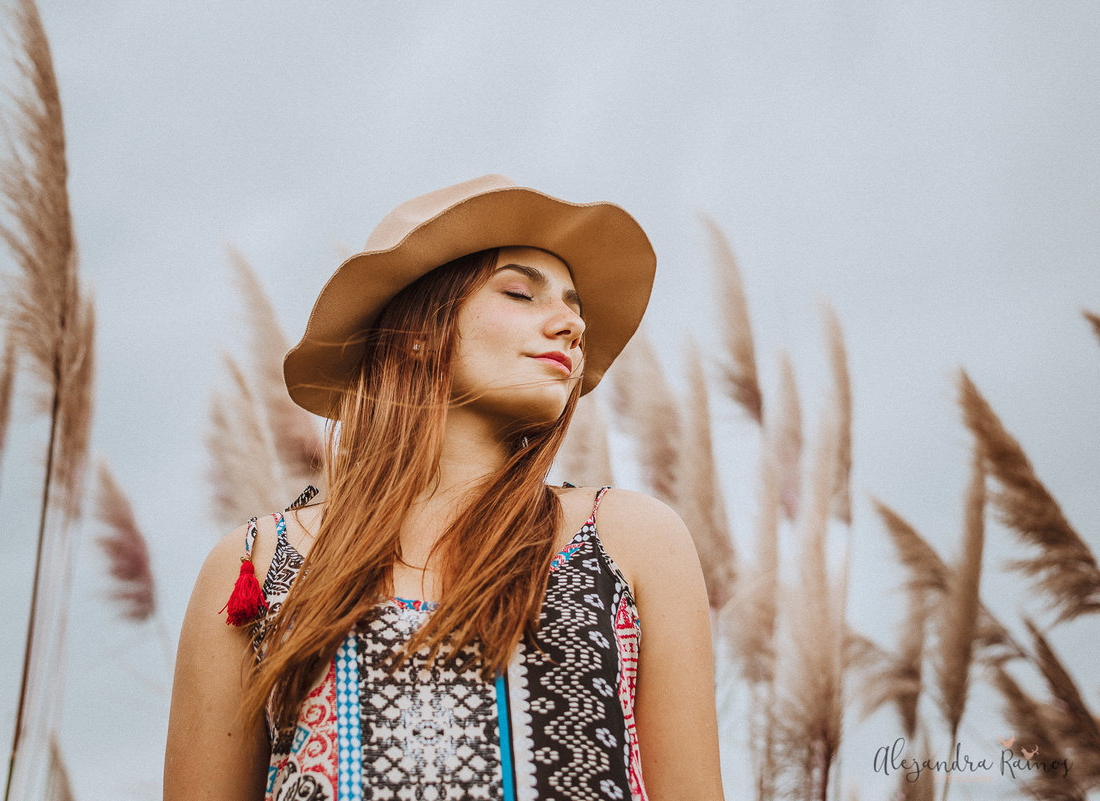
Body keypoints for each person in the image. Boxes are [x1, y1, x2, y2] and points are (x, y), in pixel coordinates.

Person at [164, 174, 725, 801]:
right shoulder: (257, 563)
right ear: (416, 331)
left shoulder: (629, 540)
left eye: (576, 309)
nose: (570, 325)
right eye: (520, 293)